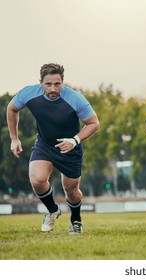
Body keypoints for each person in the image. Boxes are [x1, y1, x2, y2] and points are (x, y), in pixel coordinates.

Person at [7, 63, 100, 234]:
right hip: (45, 145)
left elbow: (94, 123)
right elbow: (12, 108)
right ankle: (52, 210)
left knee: (71, 190)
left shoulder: (75, 99)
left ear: (62, 82)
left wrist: (75, 140)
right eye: (48, 84)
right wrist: (14, 138)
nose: (53, 89)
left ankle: (76, 219)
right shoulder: (28, 93)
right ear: (40, 82)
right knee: (37, 179)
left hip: (70, 148)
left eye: (57, 84)